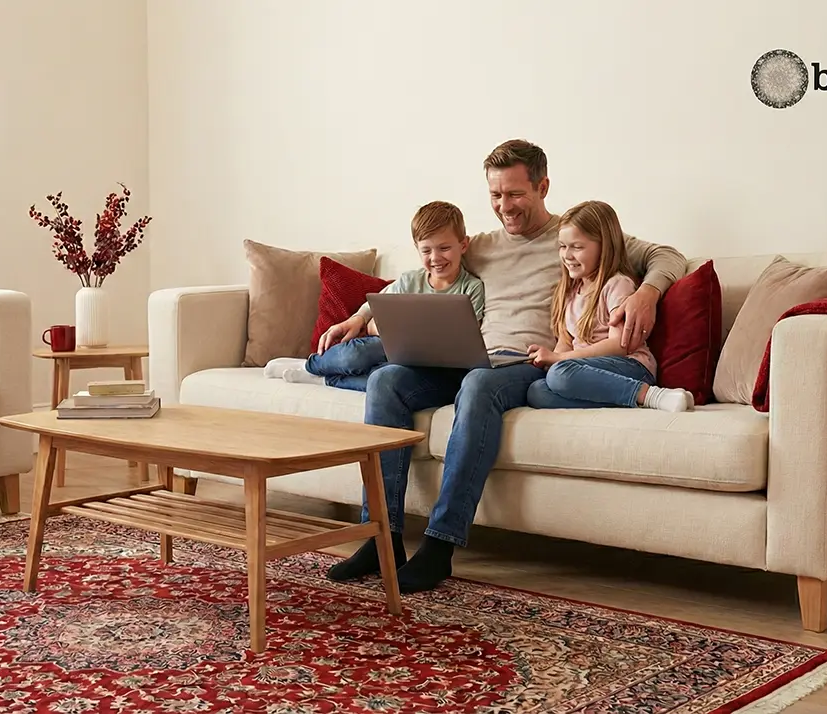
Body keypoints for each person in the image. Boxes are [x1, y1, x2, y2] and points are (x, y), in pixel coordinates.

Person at [319, 139, 688, 593]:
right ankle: (380, 537)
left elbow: (667, 256)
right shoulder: (483, 246)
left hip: (528, 365)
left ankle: (439, 546)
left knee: (478, 385)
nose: (504, 207)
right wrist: (359, 318)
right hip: (469, 359)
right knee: (386, 380)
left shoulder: (571, 238)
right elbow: (414, 276)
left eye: (514, 194)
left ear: (543, 186)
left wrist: (647, 294)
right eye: (495, 195)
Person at [264, 201, 485, 392]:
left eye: (444, 248)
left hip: (431, 368)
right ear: (417, 249)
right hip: (393, 350)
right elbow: (375, 304)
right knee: (359, 352)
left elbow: (466, 341)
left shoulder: (472, 288)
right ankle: (311, 366)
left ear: (463, 245)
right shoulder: (410, 281)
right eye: (426, 251)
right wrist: (358, 319)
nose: (435, 258)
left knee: (382, 378)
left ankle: (325, 379)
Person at [525, 200, 694, 412]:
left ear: (604, 247)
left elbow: (619, 345)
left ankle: (650, 394)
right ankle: (626, 396)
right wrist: (549, 359)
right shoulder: (568, 292)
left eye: (577, 247)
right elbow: (566, 344)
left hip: (630, 365)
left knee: (561, 373)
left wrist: (559, 360)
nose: (567, 255)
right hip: (588, 369)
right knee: (537, 391)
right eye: (562, 246)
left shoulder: (616, 284)